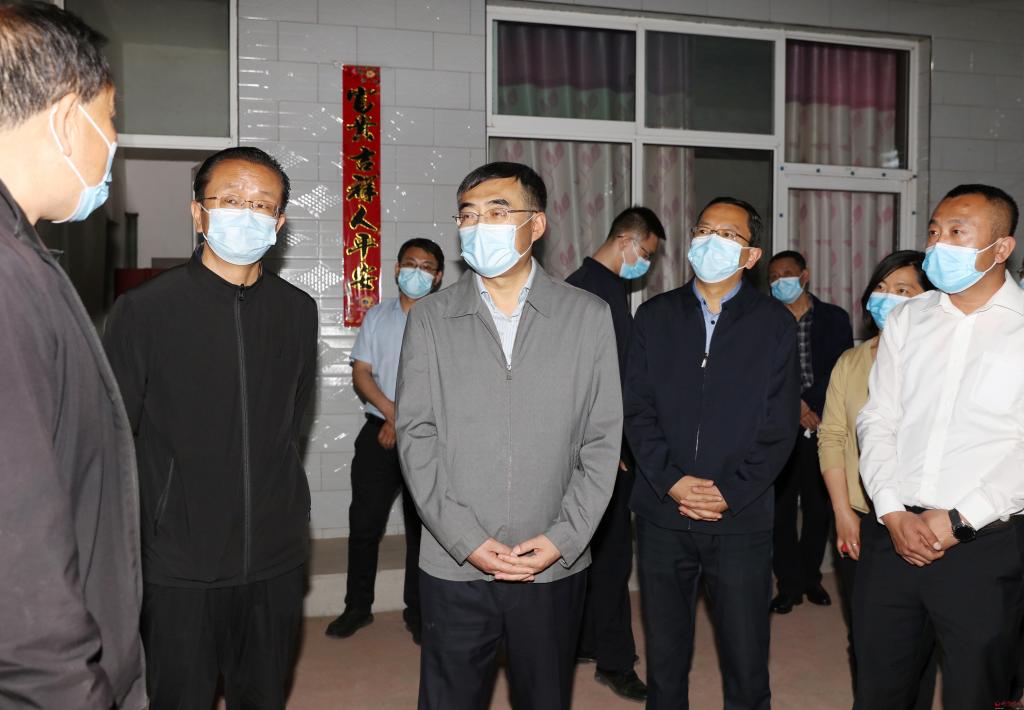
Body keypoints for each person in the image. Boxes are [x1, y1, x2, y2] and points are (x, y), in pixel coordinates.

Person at [397, 161, 622, 710]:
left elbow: (601, 440)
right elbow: (416, 434)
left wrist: (564, 538)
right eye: (468, 215)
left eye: (497, 212)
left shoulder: (587, 315)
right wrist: (465, 539)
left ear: (536, 225)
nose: (480, 226)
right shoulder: (430, 318)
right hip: (454, 562)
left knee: (545, 697)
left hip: (551, 561)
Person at [103, 146, 318, 710]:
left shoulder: (297, 311)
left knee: (264, 696)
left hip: (274, 555)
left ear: (279, 222)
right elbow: (115, 437)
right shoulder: (144, 310)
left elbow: (293, 420)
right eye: (230, 200)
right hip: (179, 560)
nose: (246, 213)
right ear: (198, 212)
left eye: (262, 204)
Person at [0, 3, 145, 707]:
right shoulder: (6, 276)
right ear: (65, 119)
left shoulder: (24, 254)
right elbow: (17, 553)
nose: (113, 142)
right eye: (109, 119)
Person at [625, 197, 799, 709]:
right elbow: (636, 410)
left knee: (746, 655)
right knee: (665, 652)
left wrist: (729, 492)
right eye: (704, 230)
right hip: (663, 511)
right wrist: (672, 481)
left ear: (751, 255)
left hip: (739, 515)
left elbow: (779, 426)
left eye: (727, 235)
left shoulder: (774, 324)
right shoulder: (654, 315)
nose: (710, 241)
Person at [856, 184, 1024, 708]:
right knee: (881, 688)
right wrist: (890, 510)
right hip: (894, 535)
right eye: (933, 231)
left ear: (1001, 248)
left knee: (977, 692)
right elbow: (877, 418)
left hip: (985, 545)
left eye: (957, 232)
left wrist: (959, 520)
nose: (938, 244)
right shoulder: (910, 317)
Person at [817, 250, 936, 706]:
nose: (887, 298)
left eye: (903, 290)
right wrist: (843, 512)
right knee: (869, 638)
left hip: (930, 521)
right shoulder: (852, 361)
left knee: (925, 641)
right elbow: (832, 436)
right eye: (881, 289)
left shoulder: (942, 363)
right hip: (865, 519)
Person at [566, 206, 665, 701]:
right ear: (627, 240)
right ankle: (615, 661)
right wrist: (607, 442)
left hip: (600, 443)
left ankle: (586, 640)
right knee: (610, 557)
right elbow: (578, 379)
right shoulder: (592, 291)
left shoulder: (595, 286)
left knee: (587, 549)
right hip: (600, 450)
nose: (645, 263)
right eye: (646, 253)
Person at [325, 238, 444, 643]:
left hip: (427, 436)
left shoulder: (447, 319)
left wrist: (405, 421)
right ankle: (356, 607)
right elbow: (362, 373)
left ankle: (419, 611)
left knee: (422, 530)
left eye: (426, 266)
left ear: (438, 277)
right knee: (364, 524)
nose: (417, 272)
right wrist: (393, 414)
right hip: (378, 431)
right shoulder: (377, 317)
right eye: (410, 263)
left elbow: (446, 382)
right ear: (396, 269)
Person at [767, 250, 853, 613]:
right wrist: (796, 406)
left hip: (824, 422)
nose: (779, 281)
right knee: (780, 510)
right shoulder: (764, 319)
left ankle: (810, 578)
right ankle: (788, 585)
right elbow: (761, 372)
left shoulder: (834, 318)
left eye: (786, 274)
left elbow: (840, 368)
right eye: (773, 277)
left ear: (805, 275)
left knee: (819, 508)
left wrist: (811, 405)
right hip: (779, 426)